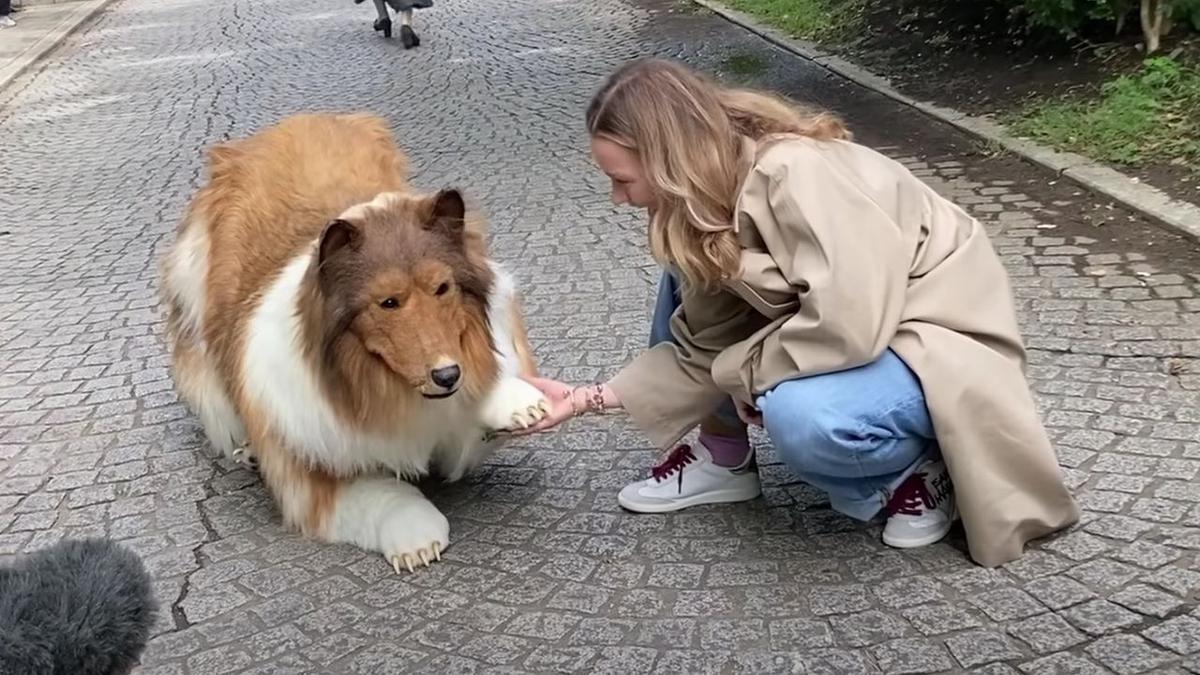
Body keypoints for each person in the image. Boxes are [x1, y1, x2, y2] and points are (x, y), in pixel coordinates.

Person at [515, 57, 1079, 567]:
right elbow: (704, 342)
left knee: (804, 417)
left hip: (934, 337)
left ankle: (921, 470)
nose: (618, 198)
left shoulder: (795, 173)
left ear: (666, 160)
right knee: (684, 274)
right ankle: (722, 453)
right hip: (862, 331)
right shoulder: (701, 201)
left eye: (622, 180)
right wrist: (588, 398)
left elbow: (849, 325)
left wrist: (748, 374)